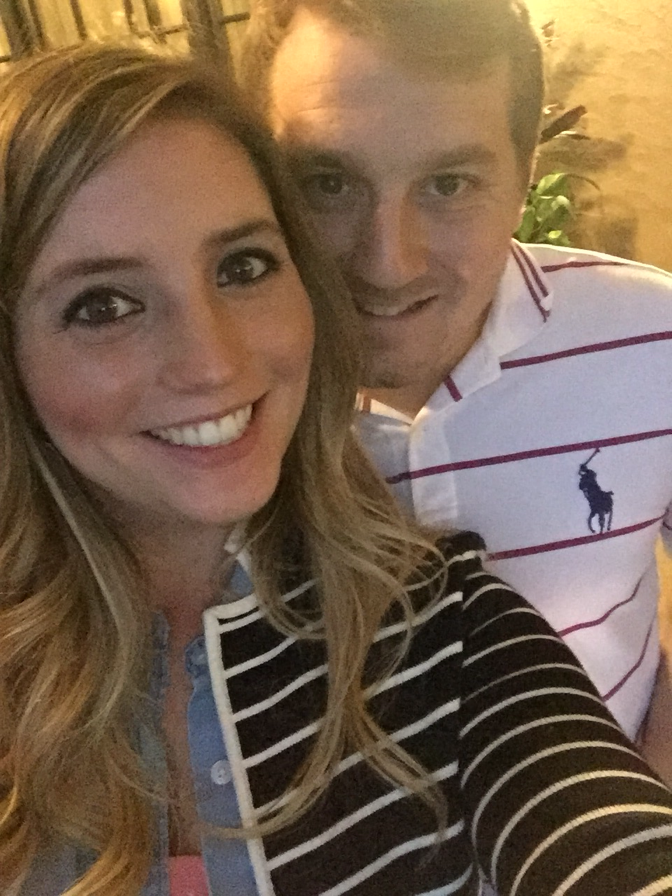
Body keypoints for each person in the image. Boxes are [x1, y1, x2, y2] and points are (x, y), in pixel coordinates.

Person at [3, 43, 672, 896]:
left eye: (241, 267)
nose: (212, 363)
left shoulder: (447, 621)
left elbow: (594, 826)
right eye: (103, 304)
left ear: (526, 173)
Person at [241, 0, 672, 745]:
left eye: (449, 184)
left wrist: (645, 791)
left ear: (525, 177)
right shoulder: (199, 395)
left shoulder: (653, 337)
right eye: (327, 183)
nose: (389, 264)